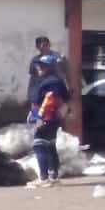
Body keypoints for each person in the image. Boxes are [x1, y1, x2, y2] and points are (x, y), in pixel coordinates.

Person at [27, 54, 70, 187]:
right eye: (38, 64)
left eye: (43, 65)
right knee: (50, 145)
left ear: (50, 67)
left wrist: (40, 118)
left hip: (47, 118)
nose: (39, 67)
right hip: (51, 117)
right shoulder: (51, 80)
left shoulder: (51, 81)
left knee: (39, 145)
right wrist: (32, 112)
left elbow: (49, 101)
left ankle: (44, 178)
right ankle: (53, 176)